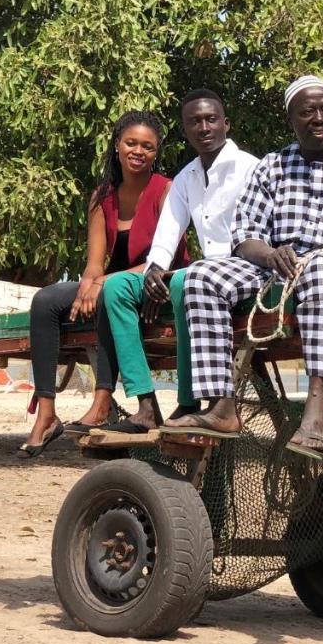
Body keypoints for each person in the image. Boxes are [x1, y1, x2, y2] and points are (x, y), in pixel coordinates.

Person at [162, 75, 323, 459]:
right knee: (200, 276)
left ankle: (317, 410)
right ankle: (221, 406)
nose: (319, 118)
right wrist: (269, 255)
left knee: (321, 267)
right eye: (308, 112)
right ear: (291, 120)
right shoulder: (272, 167)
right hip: (278, 267)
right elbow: (245, 235)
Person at [17, 111, 188, 457]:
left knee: (110, 293)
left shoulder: (167, 190)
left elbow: (162, 258)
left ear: (156, 153)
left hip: (155, 281)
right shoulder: (102, 196)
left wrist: (100, 283)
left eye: (148, 146)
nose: (138, 151)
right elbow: (95, 261)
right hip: (113, 280)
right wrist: (86, 284)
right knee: (46, 300)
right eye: (131, 143)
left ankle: (102, 400)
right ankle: (47, 413)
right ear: (116, 146)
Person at [95, 89, 258, 432]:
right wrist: (154, 271)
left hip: (243, 270)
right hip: (204, 272)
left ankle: (187, 401)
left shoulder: (251, 169)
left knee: (187, 278)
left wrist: (172, 275)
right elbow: (168, 231)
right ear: (186, 131)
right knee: (117, 287)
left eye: (211, 119)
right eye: (194, 122)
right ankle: (145, 403)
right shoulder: (186, 178)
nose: (204, 127)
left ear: (225, 124)